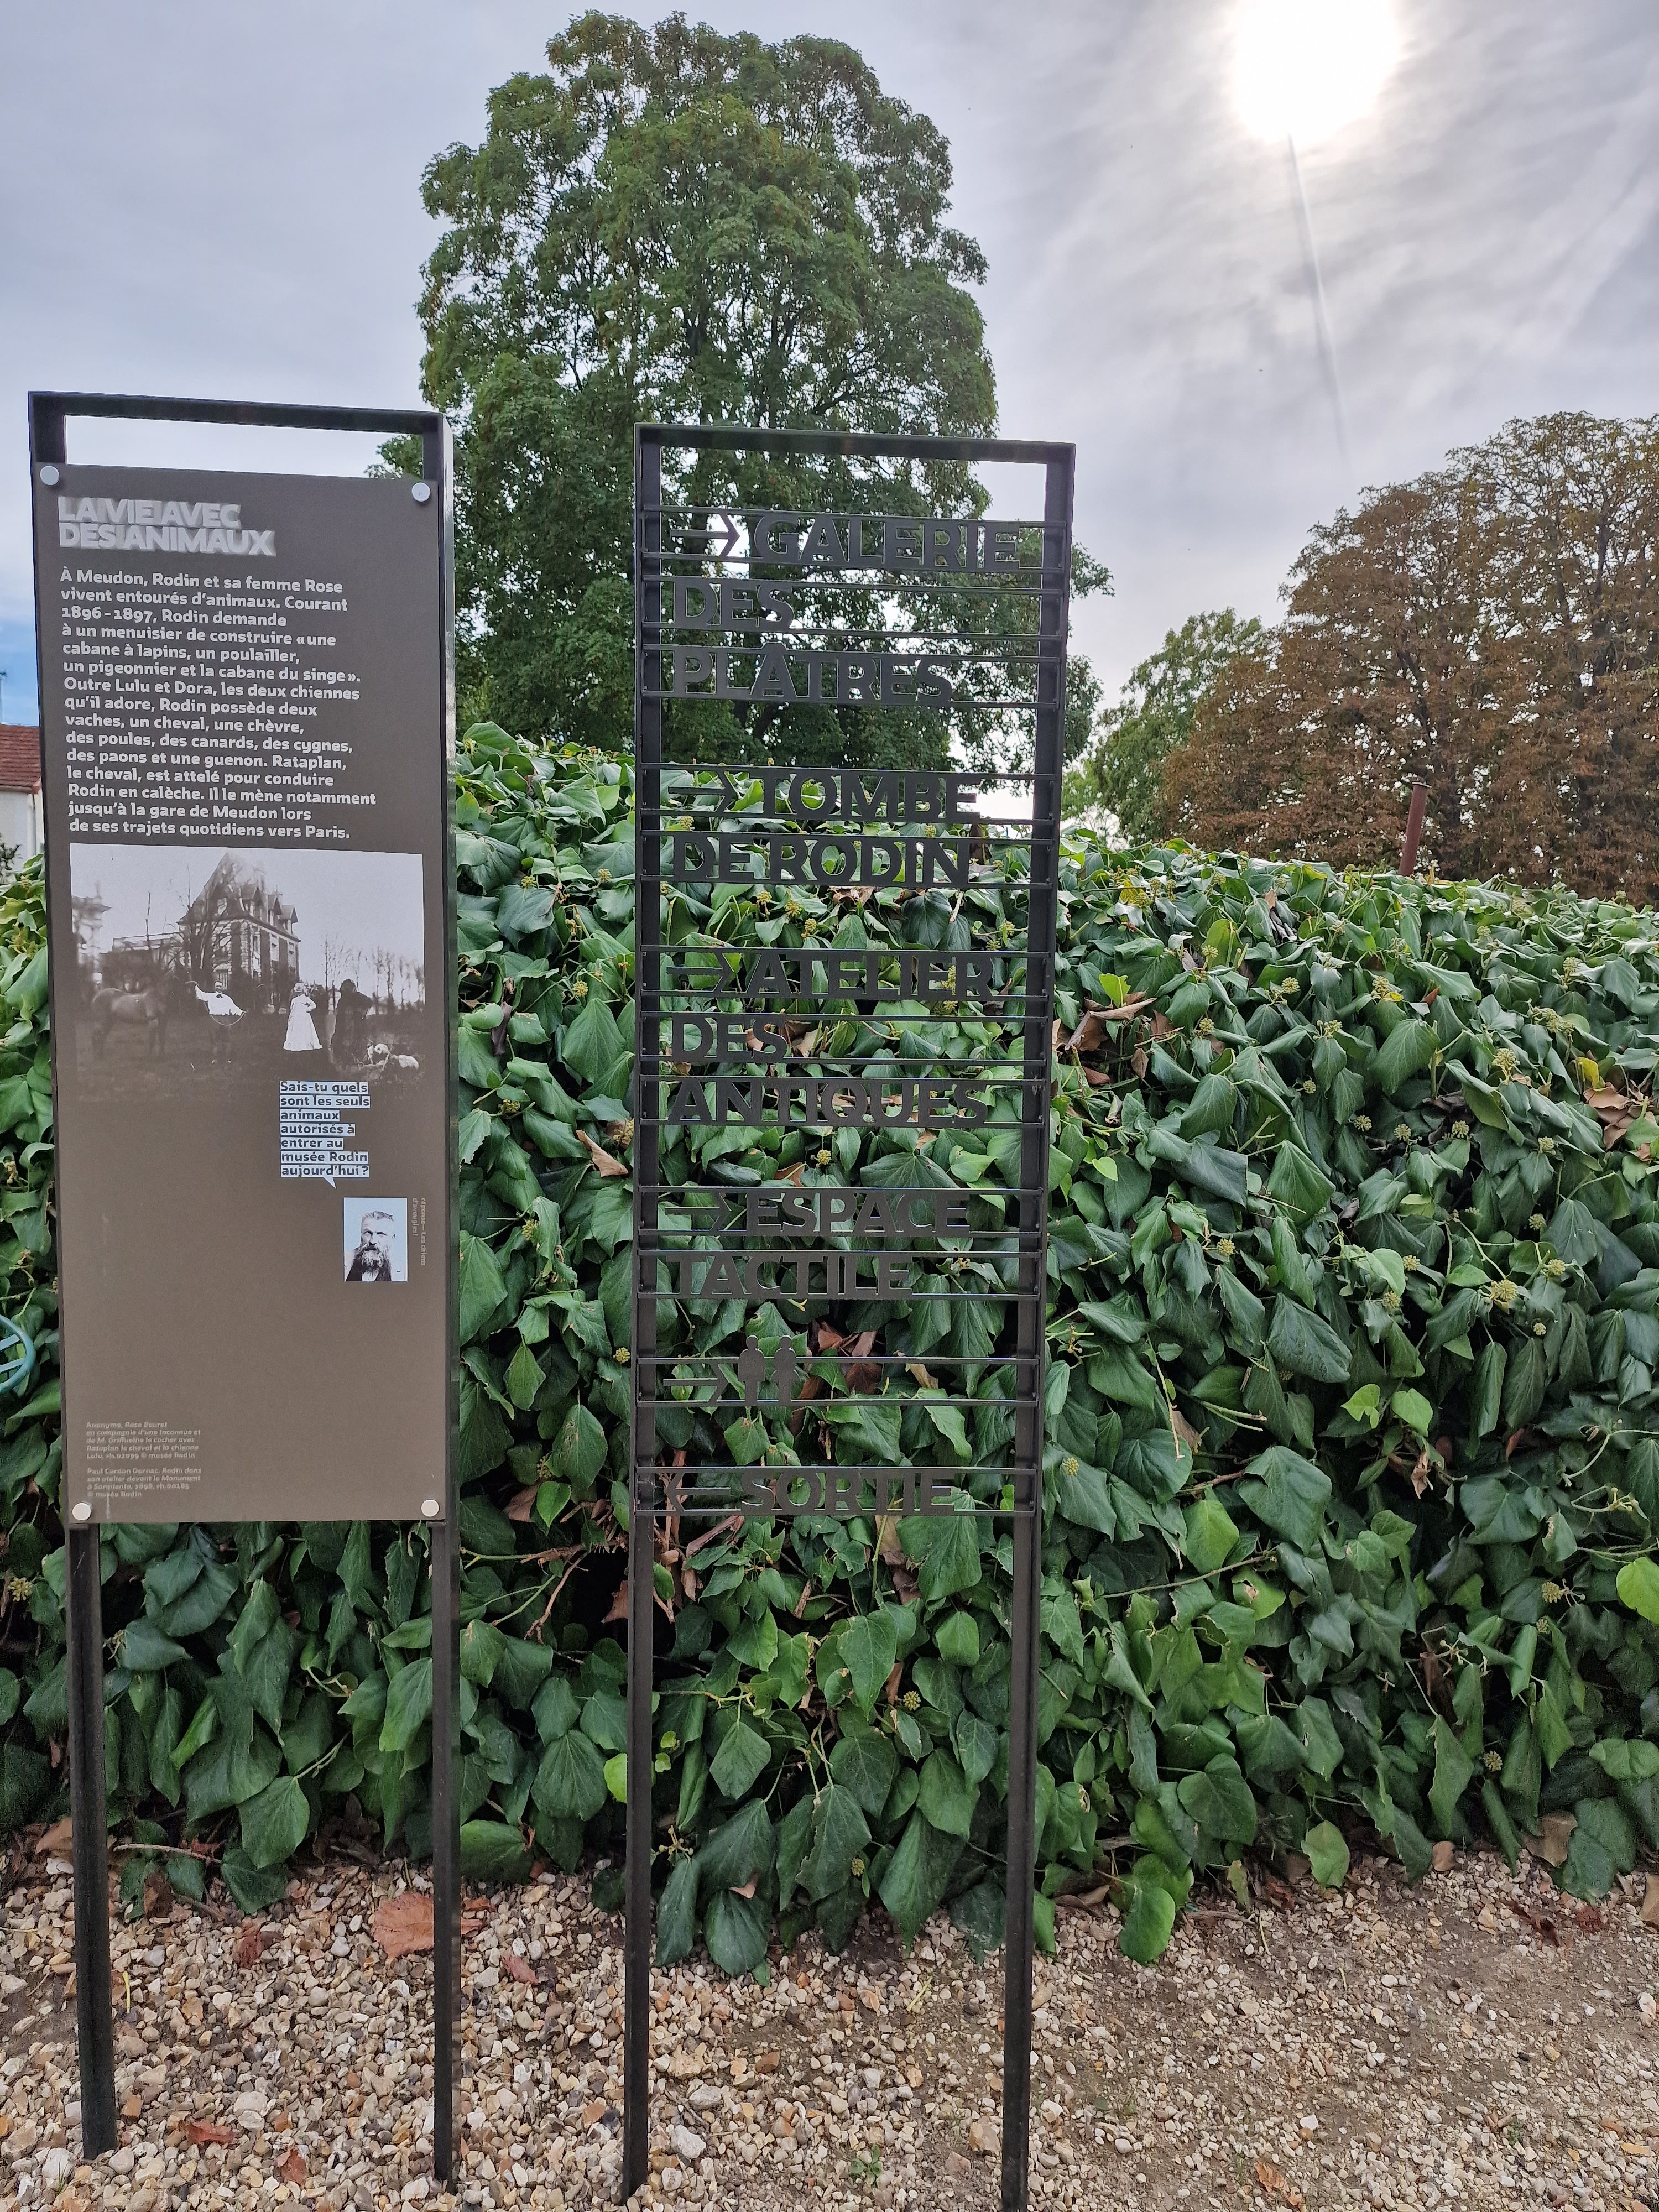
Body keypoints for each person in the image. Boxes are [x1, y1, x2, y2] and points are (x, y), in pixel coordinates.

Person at [346, 1209, 399, 1282]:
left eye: (380, 1234)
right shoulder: (344, 1260)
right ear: (361, 1235)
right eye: (368, 1233)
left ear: (392, 1239)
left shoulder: (404, 1270)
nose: (373, 1241)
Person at [284, 985, 321, 1053]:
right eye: (298, 992)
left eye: (300, 991)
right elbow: (292, 1008)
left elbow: (314, 1005)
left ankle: (306, 1045)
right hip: (296, 1017)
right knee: (296, 1030)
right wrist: (292, 1017)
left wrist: (307, 1009)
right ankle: (295, 1045)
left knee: (305, 1030)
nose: (299, 993)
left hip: (304, 1017)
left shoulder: (306, 999)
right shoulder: (294, 1000)